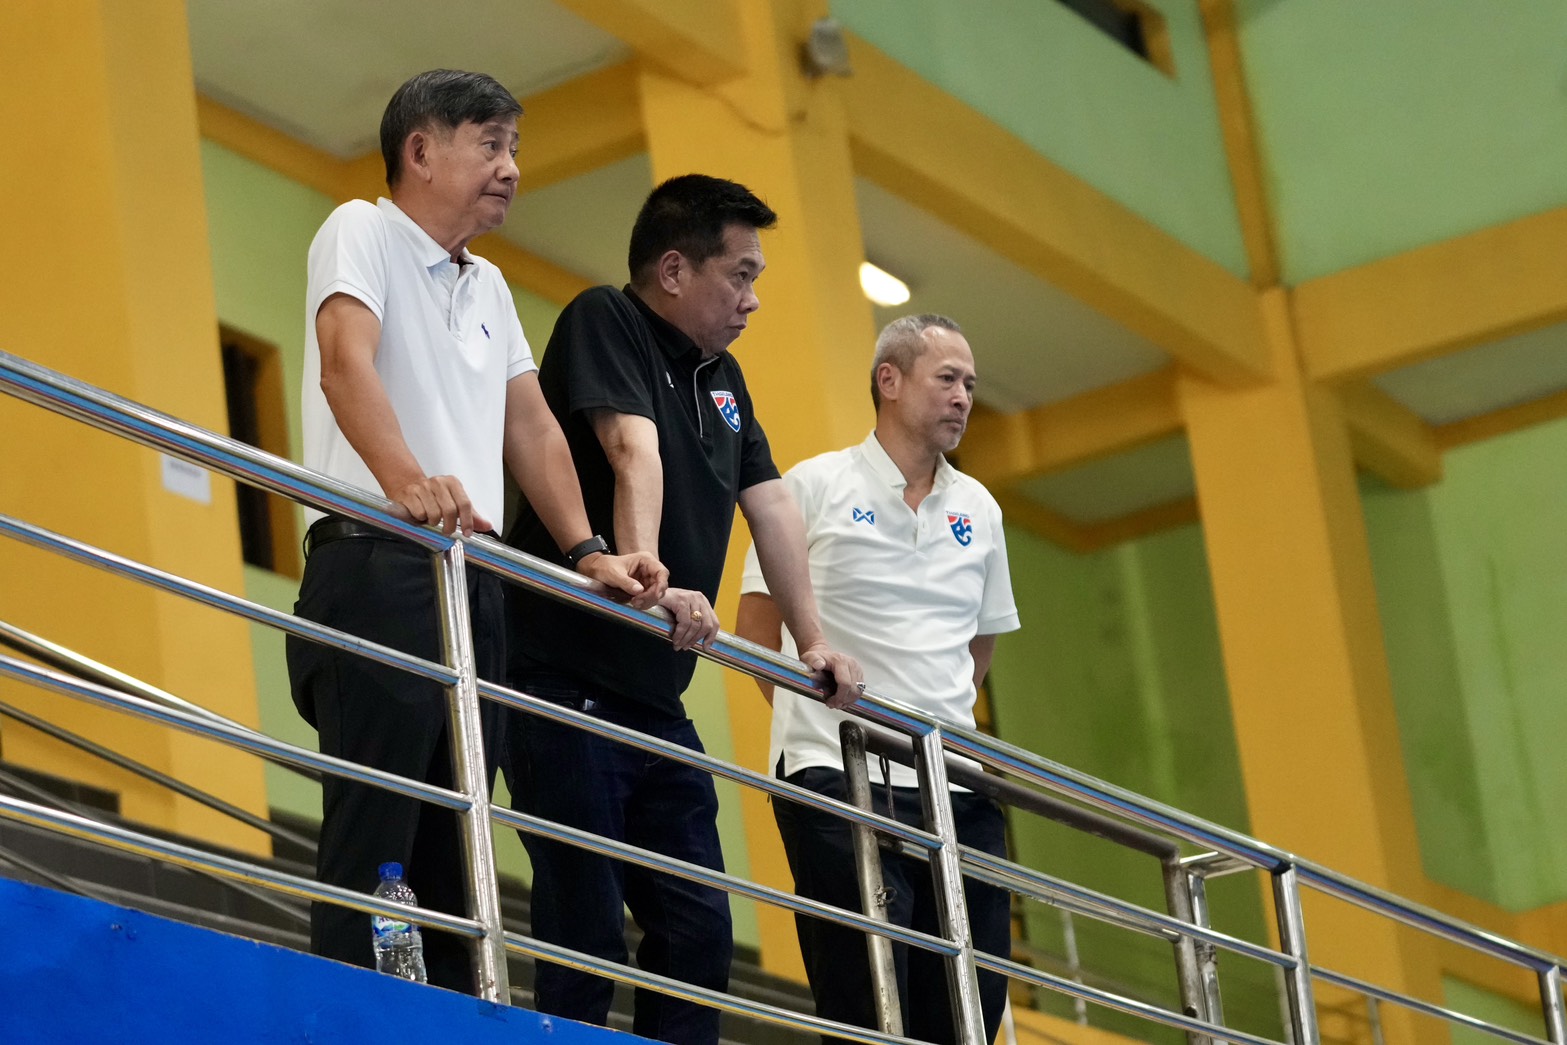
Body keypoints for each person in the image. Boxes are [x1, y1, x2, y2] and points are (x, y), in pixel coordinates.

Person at [285, 69, 666, 994]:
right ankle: (356, 1006)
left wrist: (587, 550)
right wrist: (406, 482)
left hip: (475, 578)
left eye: (515, 149)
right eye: (491, 145)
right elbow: (344, 364)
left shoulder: (489, 282)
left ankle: (451, 1007)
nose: (511, 169)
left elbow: (530, 427)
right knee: (380, 820)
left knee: (461, 831)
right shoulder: (361, 229)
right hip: (377, 561)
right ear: (420, 151)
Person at [501, 173, 863, 1044]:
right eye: (739, 275)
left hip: (654, 699)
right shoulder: (604, 317)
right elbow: (632, 447)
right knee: (586, 928)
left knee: (699, 932)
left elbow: (772, 507)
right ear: (672, 269)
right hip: (560, 679)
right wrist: (649, 575)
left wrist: (812, 639)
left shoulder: (723, 377)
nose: (752, 299)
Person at [736, 314, 1020, 1044]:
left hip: (955, 782)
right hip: (836, 771)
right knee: (868, 1001)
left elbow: (977, 647)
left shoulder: (981, 508)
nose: (963, 397)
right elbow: (756, 630)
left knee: (968, 1009)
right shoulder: (813, 484)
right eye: (947, 378)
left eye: (970, 384)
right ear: (888, 380)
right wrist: (817, 719)